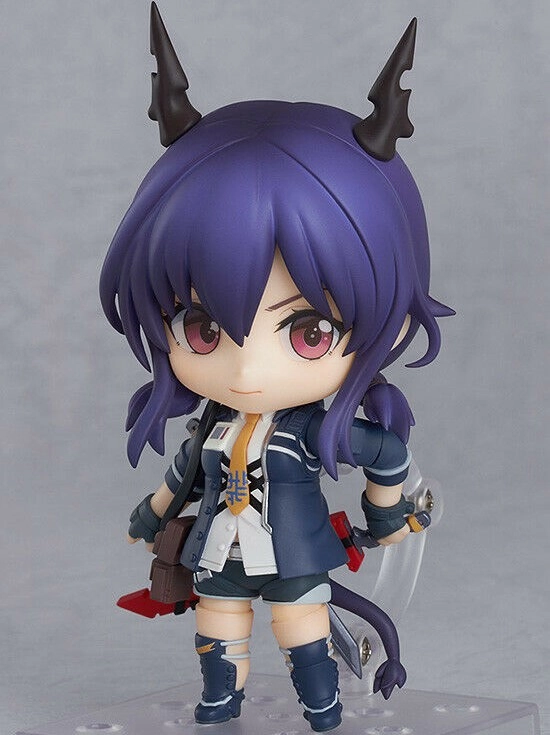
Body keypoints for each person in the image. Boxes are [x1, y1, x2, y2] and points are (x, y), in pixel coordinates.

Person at [100, 6, 453, 731]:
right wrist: (149, 516)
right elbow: (182, 476)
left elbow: (385, 452)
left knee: (301, 628)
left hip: (295, 551)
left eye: (310, 332)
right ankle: (219, 700)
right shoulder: (211, 426)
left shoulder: (314, 429)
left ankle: (321, 708)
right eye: (203, 328)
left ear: (385, 321)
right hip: (219, 553)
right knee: (219, 624)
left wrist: (387, 515)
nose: (248, 368)